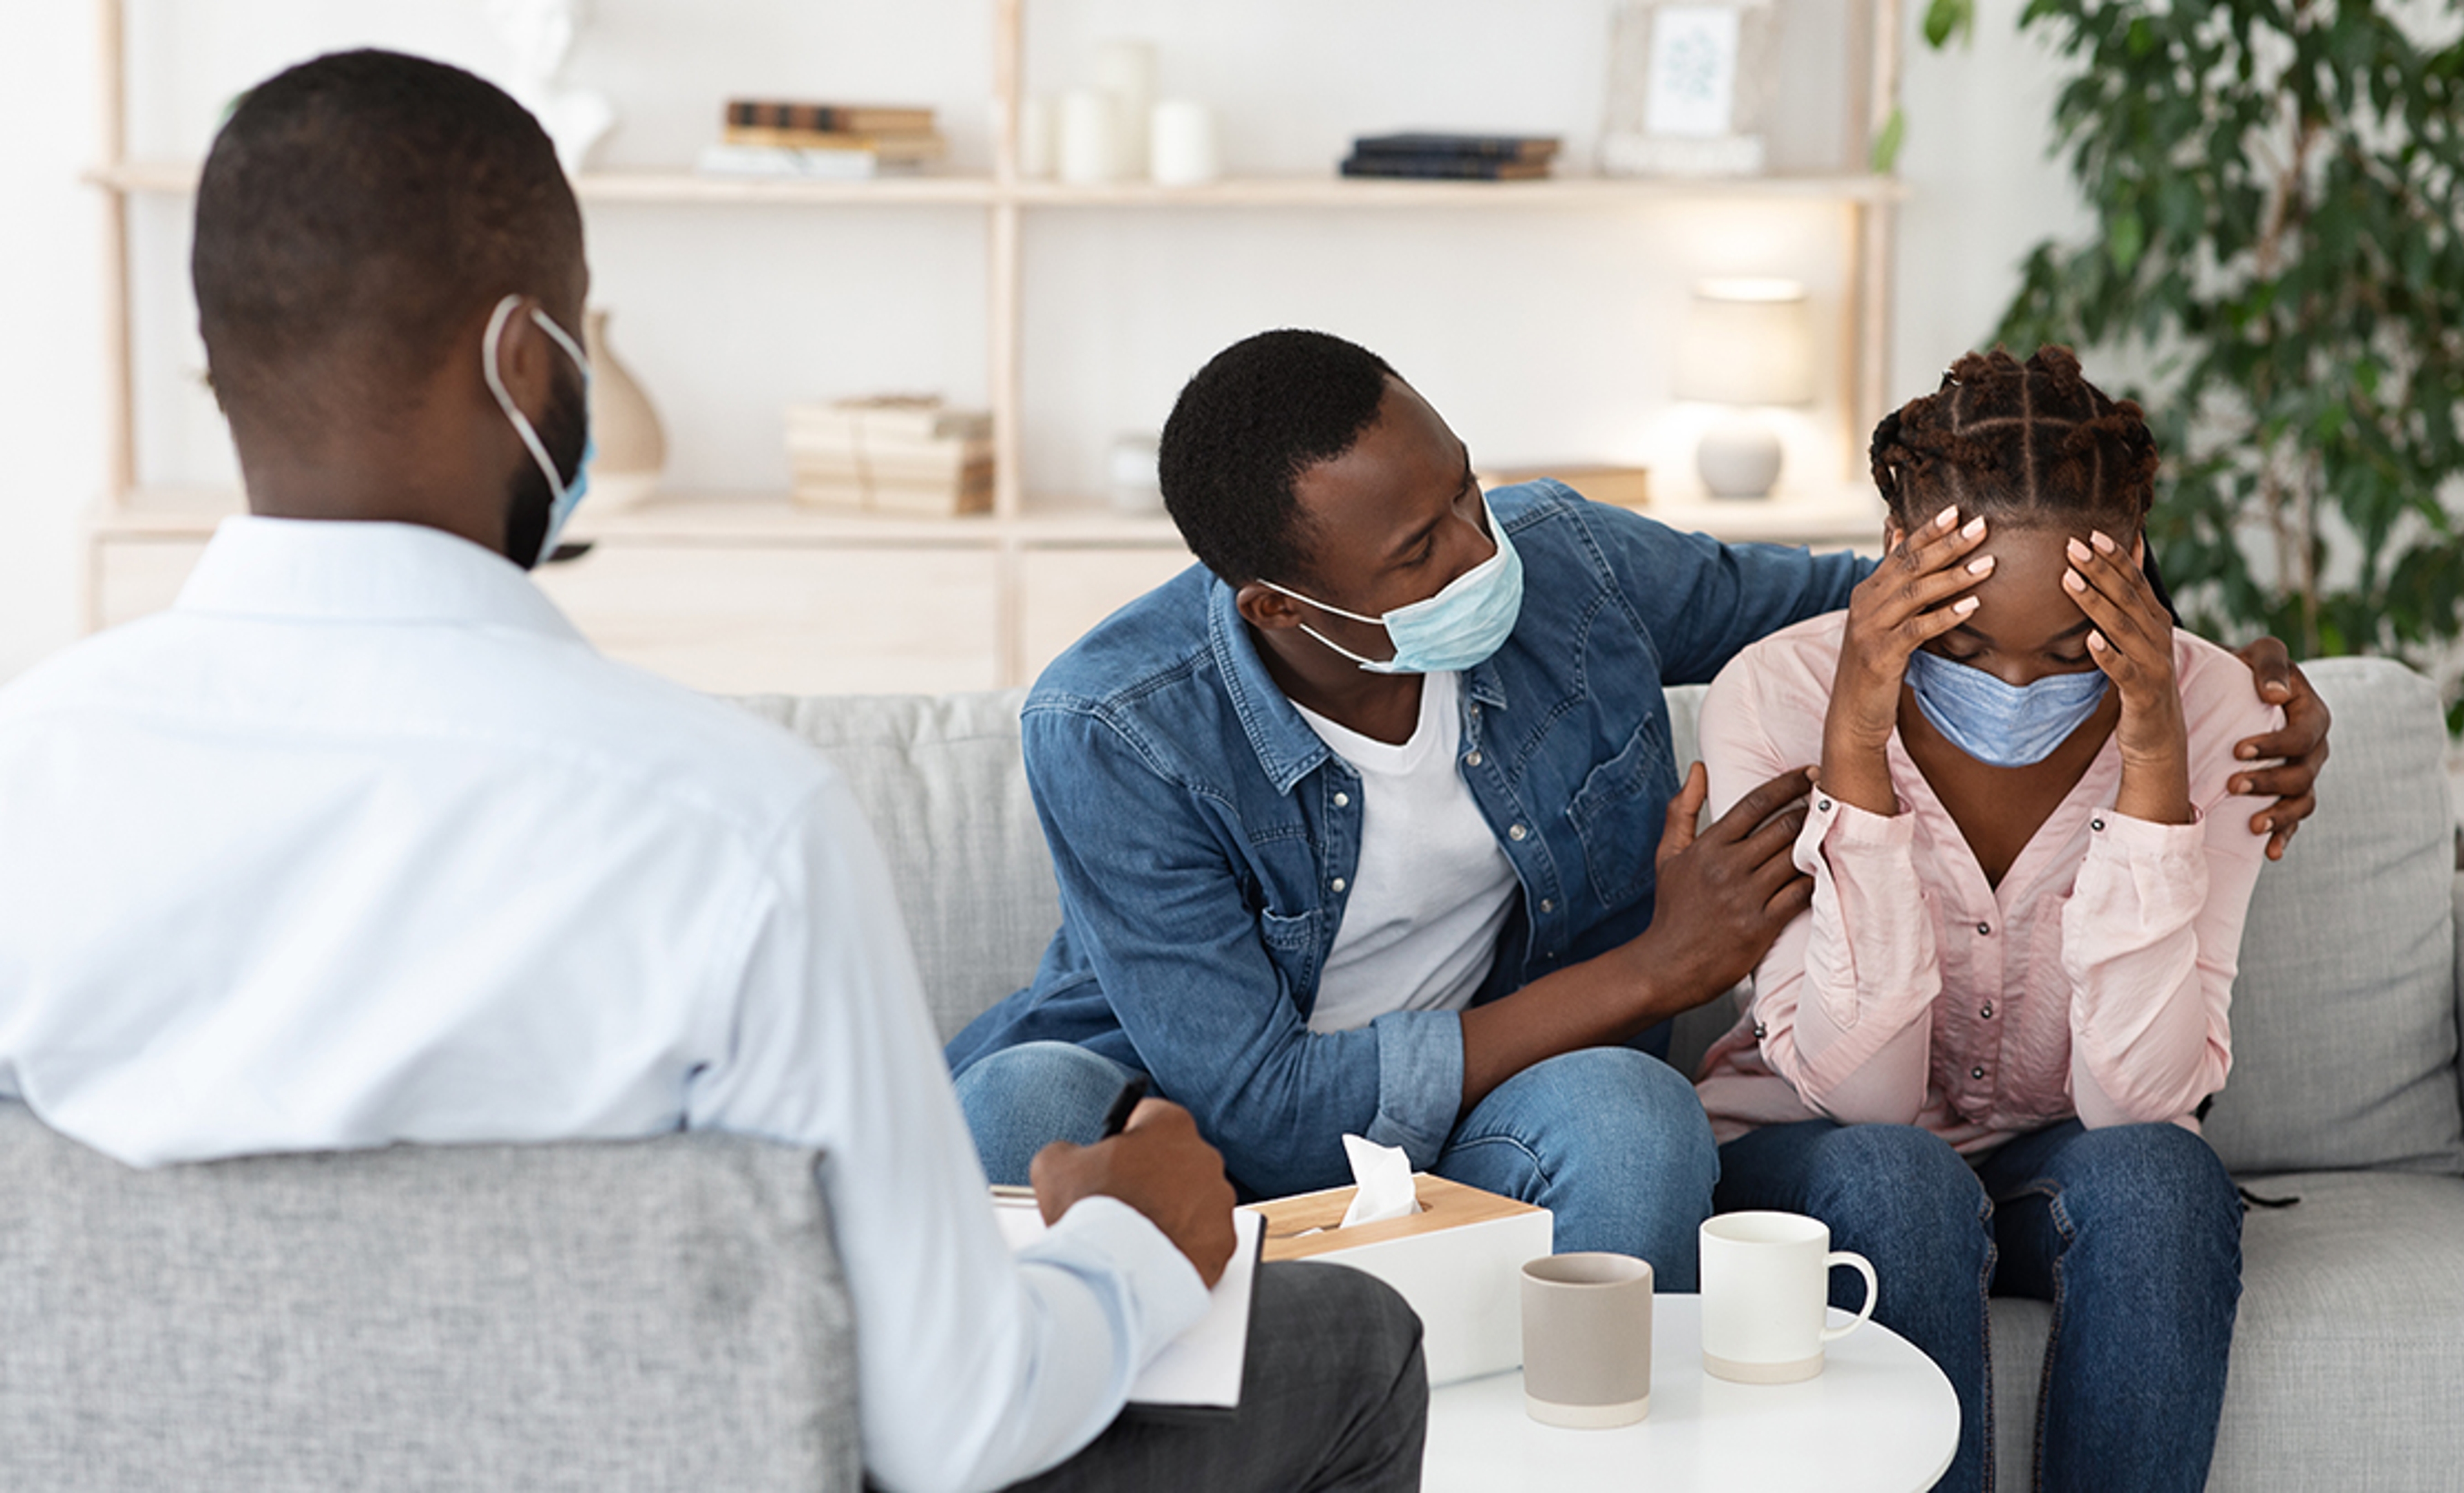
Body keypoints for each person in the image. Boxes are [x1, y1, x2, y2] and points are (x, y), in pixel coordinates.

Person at [0, 53, 1423, 1493]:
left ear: (226, 369)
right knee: (1349, 1343)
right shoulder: (731, 826)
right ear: (526, 362)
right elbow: (951, 1422)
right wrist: (1135, 1238)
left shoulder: (25, 775)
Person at [943, 329, 2331, 1295]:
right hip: (1189, 1121)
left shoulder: (1569, 563)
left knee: (1636, 1118)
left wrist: (2203, 663)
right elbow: (1262, 1103)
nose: (1486, 555)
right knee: (1019, 1102)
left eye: (1468, 494)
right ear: (1278, 606)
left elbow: (1915, 591)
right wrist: (1659, 971)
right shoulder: (1116, 727)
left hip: (1486, 1122)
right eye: (1423, 548)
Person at [1697, 346, 2276, 1492]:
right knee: (1896, 1175)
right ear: (1893, 565)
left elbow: (2139, 1106)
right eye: (1959, 642)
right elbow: (1856, 1094)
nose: (2012, 683)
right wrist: (1855, 747)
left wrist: (2155, 756)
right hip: (1817, 1158)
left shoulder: (2214, 709)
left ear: (2136, 573)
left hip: (2052, 1164)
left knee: (2166, 1176)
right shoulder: (1776, 693)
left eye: (2069, 652)